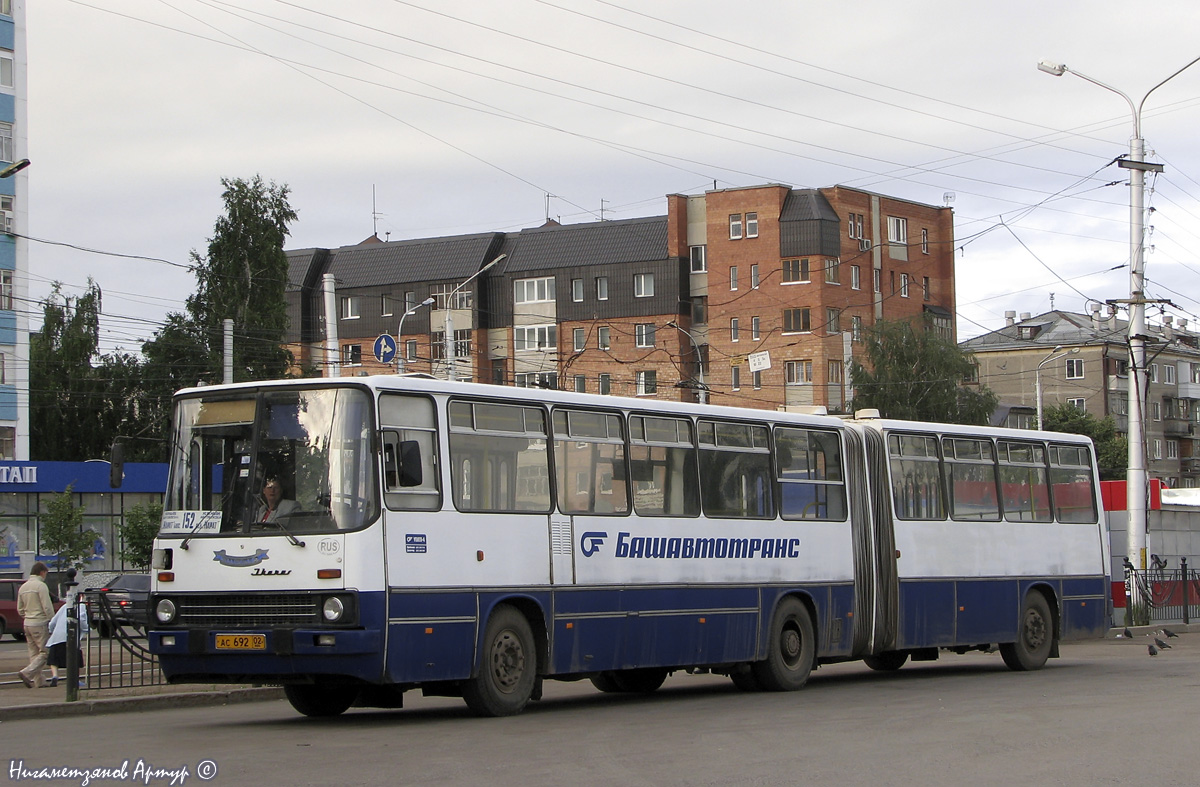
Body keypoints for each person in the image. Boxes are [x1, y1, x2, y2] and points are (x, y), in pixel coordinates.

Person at [17, 562, 54, 689]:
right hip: (40, 622)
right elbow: (47, 607)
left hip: (27, 623)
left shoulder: (23, 587)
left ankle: (39, 681)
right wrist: (52, 620)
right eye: (46, 573)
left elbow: (20, 609)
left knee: (34, 653)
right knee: (45, 652)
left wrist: (27, 616)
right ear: (42, 572)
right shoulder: (41, 586)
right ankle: (26, 673)